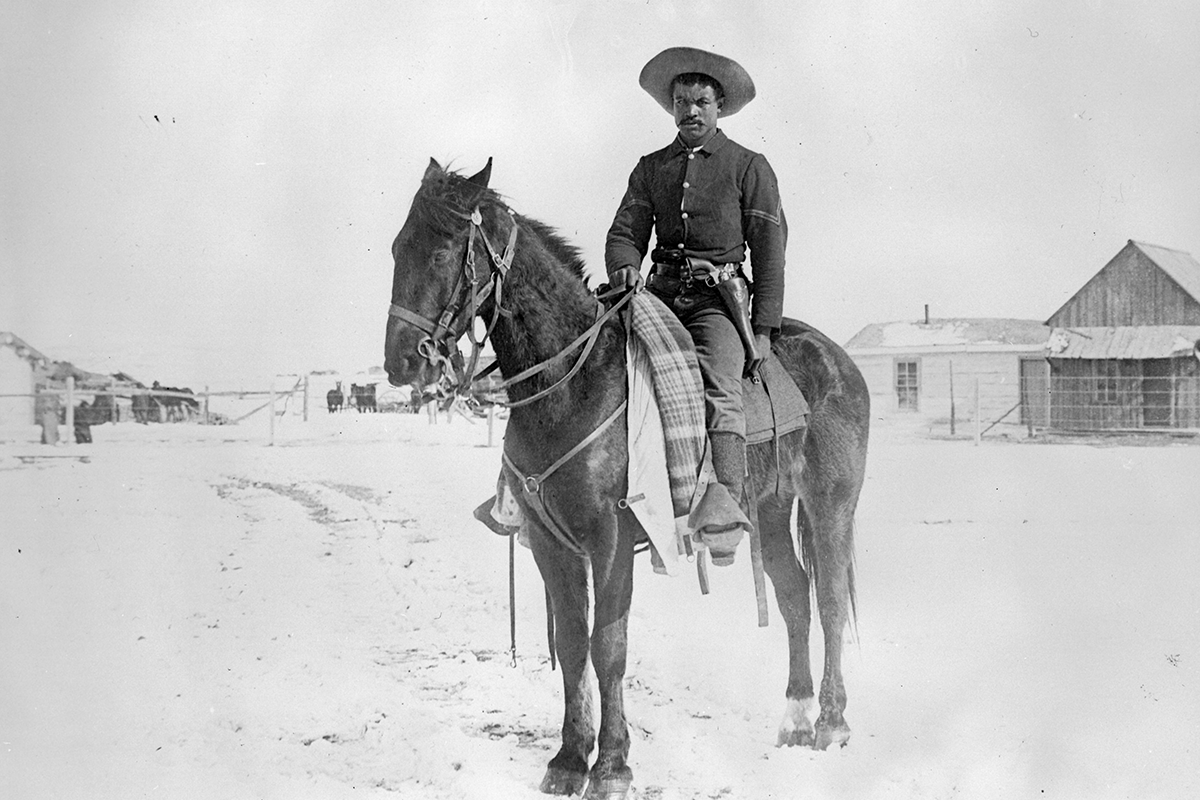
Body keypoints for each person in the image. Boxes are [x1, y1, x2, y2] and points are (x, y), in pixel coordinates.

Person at [605, 47, 787, 565]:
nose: (690, 110)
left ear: (719, 105)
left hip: (716, 304)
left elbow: (770, 250)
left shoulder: (748, 167)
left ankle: (725, 506)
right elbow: (624, 233)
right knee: (608, 370)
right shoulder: (651, 168)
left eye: (701, 101)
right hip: (658, 297)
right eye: (681, 101)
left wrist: (765, 329)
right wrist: (624, 264)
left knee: (719, 389)